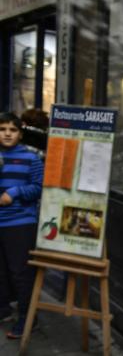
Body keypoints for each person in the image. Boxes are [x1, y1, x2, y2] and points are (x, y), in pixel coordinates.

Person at [0, 112, 44, 339]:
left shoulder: (31, 158)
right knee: (2, 272)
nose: (7, 134)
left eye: (12, 130)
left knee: (21, 274)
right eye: (2, 129)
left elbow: (38, 187)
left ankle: (28, 320)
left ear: (20, 133)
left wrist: (14, 193)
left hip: (20, 223)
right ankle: (4, 311)